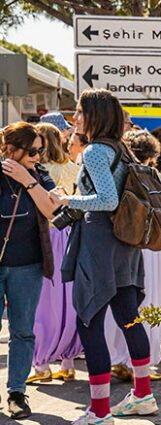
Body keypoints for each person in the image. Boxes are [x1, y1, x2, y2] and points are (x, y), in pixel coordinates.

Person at [51, 89, 155, 425]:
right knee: (128, 315)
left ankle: (99, 415)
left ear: (94, 115)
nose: (75, 118)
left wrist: (69, 198)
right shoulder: (120, 148)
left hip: (99, 244)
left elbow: (107, 200)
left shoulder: (95, 151)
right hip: (123, 244)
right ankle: (142, 393)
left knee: (89, 320)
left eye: (79, 112)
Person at [105, 130, 161, 381]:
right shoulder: (154, 177)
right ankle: (144, 363)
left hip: (121, 244)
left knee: (121, 303)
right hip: (151, 246)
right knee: (151, 302)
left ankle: (118, 358)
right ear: (153, 155)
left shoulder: (117, 175)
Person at [0, 122, 60, 419]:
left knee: (23, 330)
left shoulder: (40, 175)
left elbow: (52, 210)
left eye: (41, 150)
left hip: (28, 264)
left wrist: (28, 180)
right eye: (33, 151)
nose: (38, 155)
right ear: (12, 149)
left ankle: (17, 393)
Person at [26, 122, 82, 385]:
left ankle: (42, 364)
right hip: (69, 234)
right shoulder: (73, 168)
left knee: (43, 301)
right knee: (67, 299)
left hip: (45, 236)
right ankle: (68, 361)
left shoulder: (38, 171)